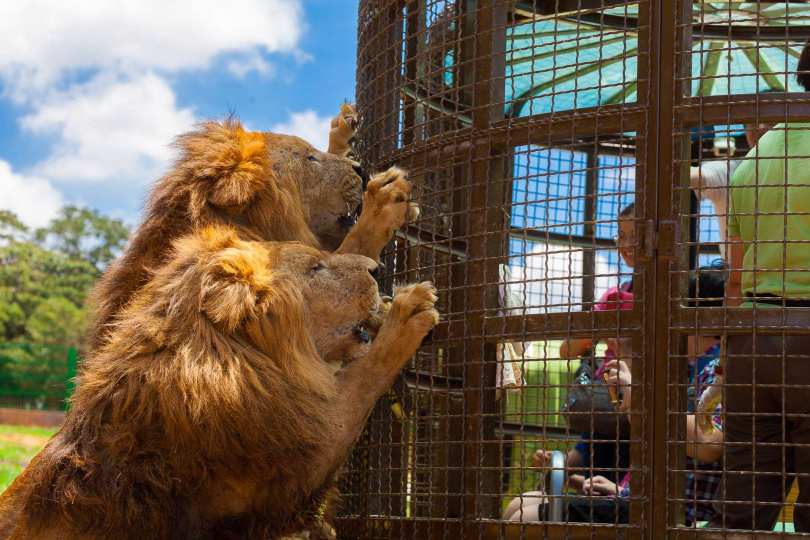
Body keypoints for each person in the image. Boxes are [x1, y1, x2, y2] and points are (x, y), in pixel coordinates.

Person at [701, 45, 810, 532]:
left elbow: (736, 280)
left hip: (752, 342)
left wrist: (728, 357)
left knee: (743, 507)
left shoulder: (753, 159)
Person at [555, 202, 635, 487]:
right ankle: (567, 474)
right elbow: (567, 350)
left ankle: (574, 477)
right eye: (621, 236)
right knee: (602, 434)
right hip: (610, 396)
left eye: (634, 236)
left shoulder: (681, 292)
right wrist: (597, 329)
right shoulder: (616, 295)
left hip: (643, 397)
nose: (625, 244)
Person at [690, 118, 776, 260]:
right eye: (752, 123)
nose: (760, 128)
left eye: (771, 122)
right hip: (736, 274)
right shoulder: (731, 169)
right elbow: (691, 176)